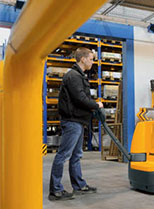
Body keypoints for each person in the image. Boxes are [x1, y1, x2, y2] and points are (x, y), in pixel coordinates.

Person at [49, 47, 104, 201]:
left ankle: (79, 185)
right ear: (83, 59)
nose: (93, 62)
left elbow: (80, 97)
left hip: (78, 121)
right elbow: (80, 98)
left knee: (76, 155)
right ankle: (55, 190)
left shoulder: (79, 76)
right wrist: (95, 105)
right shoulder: (73, 76)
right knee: (64, 154)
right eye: (91, 59)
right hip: (72, 121)